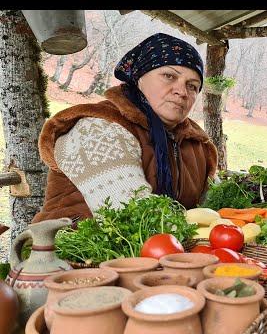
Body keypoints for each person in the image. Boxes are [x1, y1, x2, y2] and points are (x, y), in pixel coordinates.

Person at [33, 33, 218, 223]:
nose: (182, 91)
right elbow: (132, 215)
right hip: (70, 249)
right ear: (139, 77)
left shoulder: (196, 144)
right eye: (169, 76)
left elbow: (213, 208)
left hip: (166, 249)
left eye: (193, 86)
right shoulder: (97, 129)